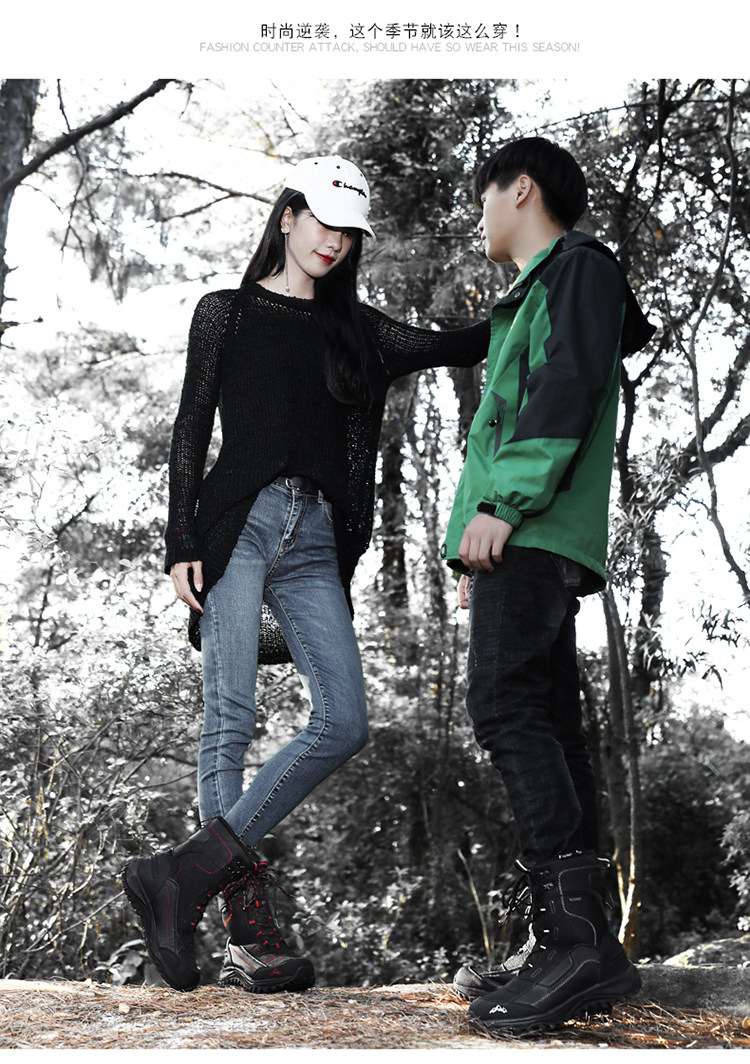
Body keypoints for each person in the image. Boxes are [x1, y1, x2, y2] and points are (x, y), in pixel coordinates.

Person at [122, 155, 490, 994]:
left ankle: (181, 875)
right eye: (322, 220)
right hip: (238, 526)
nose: (334, 241)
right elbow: (190, 429)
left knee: (345, 719)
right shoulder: (225, 313)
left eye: (349, 232)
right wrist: (180, 538)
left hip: (315, 539)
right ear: (287, 216)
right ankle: (251, 936)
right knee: (229, 719)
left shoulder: (359, 332)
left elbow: (461, 343)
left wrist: (557, 281)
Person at [441, 137, 655, 1034]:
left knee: (505, 707)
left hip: (529, 524)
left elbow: (561, 386)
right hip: (518, 536)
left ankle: (573, 942)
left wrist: (503, 505)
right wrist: (472, 544)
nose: (480, 220)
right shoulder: (540, 290)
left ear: (520, 188)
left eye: (483, 200)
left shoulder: (578, 271)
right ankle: (579, 945)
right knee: (550, 722)